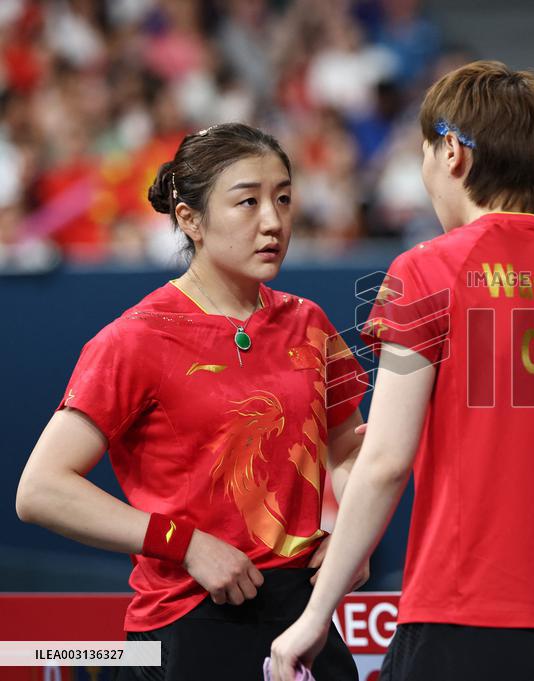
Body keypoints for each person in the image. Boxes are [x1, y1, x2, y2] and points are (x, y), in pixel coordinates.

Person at [269, 60, 534, 681]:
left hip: (472, 618)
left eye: (425, 152)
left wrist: (317, 615)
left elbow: (387, 460)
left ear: (451, 153)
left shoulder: (425, 272)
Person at [16, 123, 367, 681]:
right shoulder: (135, 339)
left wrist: (355, 535)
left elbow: (350, 446)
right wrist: (185, 544)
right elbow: (41, 490)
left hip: (302, 615)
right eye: (248, 201)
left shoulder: (309, 322)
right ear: (190, 220)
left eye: (283, 198)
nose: (273, 221)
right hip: (189, 622)